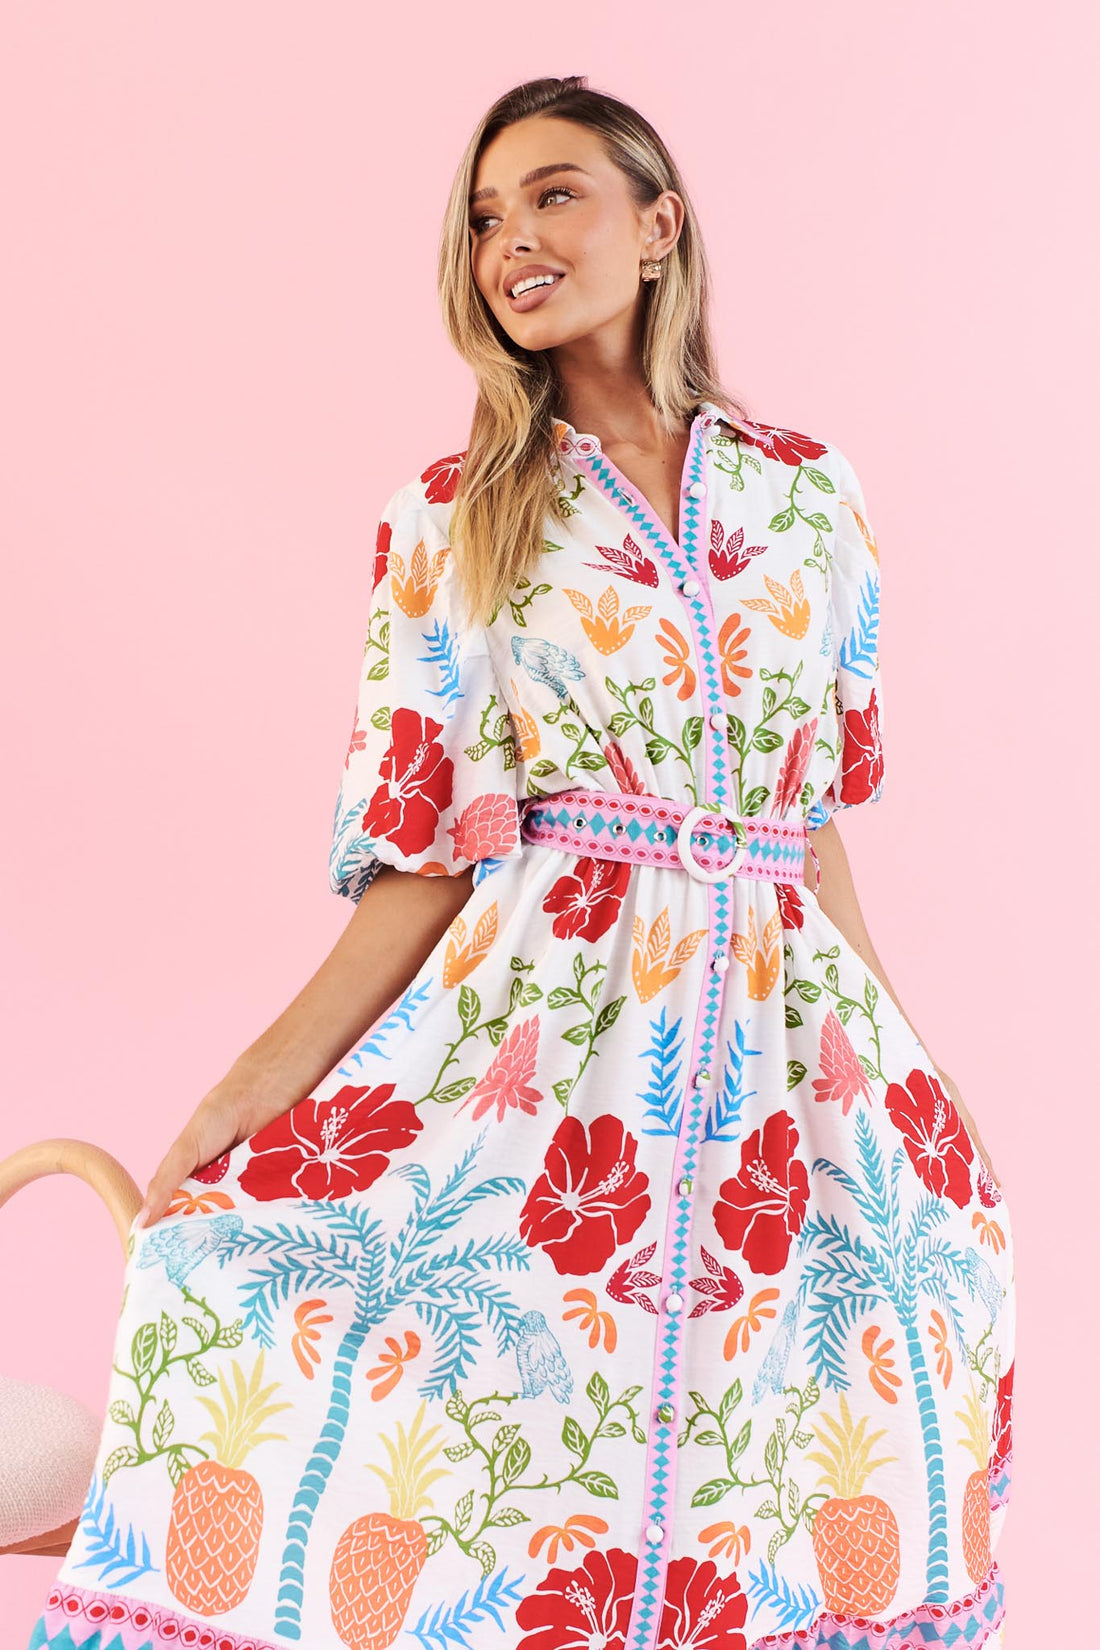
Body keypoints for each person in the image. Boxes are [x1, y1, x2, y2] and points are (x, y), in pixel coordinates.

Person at [28, 74, 1015, 1650]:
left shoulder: (810, 493)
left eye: (554, 194)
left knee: (808, 1422)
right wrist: (240, 1100)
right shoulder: (453, 515)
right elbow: (418, 863)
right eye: (487, 215)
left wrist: (913, 1054)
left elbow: (810, 811)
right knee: (492, 1431)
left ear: (657, 224)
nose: (511, 239)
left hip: (781, 1042)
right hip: (551, 1044)